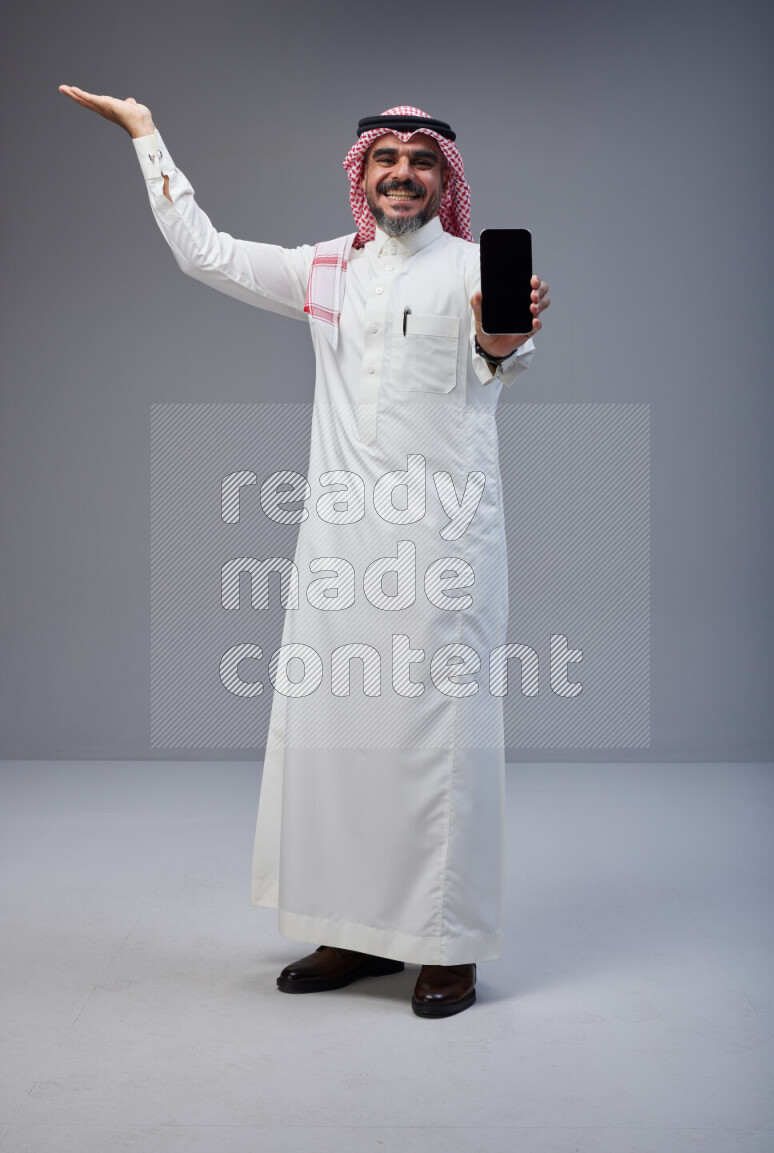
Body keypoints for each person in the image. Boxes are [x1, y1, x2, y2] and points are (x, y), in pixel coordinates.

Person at [58, 87, 551, 1018]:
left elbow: (502, 351)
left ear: (446, 181)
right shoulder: (324, 267)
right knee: (337, 740)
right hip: (338, 546)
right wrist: (145, 135)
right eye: (385, 160)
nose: (402, 173)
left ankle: (447, 945)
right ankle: (356, 930)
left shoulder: (476, 264)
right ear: (362, 175)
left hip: (442, 546)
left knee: (440, 745)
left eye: (423, 162)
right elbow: (203, 251)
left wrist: (504, 335)